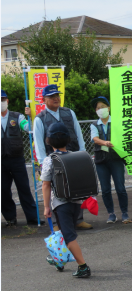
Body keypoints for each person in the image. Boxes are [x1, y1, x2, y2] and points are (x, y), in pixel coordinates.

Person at [30, 84, 93, 230]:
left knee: (77, 188)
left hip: (73, 158)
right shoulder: (40, 119)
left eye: (57, 95)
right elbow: (39, 144)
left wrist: (82, 154)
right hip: (53, 161)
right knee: (55, 192)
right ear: (43, 99)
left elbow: (78, 133)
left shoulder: (69, 113)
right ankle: (58, 222)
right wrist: (42, 163)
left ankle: (78, 220)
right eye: (51, 96)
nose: (56, 98)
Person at [41, 121, 91, 278]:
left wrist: (46, 207)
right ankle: (59, 260)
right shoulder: (75, 156)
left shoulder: (50, 160)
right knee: (64, 232)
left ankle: (83, 266)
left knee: (68, 236)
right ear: (68, 140)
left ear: (48, 141)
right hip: (76, 202)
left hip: (61, 204)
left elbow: (46, 185)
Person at [1, 89, 43, 226]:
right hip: (1, 160)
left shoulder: (17, 116)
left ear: (7, 101)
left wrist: (30, 118)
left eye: (3, 100)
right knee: (3, 190)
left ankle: (32, 218)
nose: (1, 102)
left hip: (17, 159)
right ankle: (10, 218)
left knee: (24, 188)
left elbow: (27, 128)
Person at [90, 96, 130, 224]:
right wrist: (105, 142)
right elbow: (95, 139)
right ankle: (111, 214)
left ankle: (125, 213)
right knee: (105, 189)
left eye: (102, 107)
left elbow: (131, 130)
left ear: (109, 108)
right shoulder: (94, 125)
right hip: (101, 161)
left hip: (116, 159)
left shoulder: (118, 121)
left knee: (120, 187)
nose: (100, 110)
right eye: (98, 108)